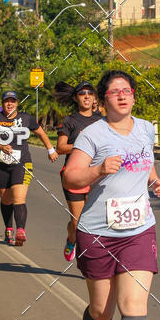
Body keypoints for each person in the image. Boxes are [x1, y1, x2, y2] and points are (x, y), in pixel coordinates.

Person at [63, 71, 160, 320]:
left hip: (139, 230)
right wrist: (97, 170)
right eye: (114, 92)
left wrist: (156, 182)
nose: (122, 96)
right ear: (103, 100)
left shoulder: (146, 128)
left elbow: (146, 165)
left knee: (133, 305)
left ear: (134, 96)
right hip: (97, 232)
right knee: (101, 309)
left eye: (127, 90)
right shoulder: (92, 135)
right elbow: (70, 176)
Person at [0, 90, 58, 246]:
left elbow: (41, 133)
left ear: (17, 103)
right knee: (6, 199)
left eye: (13, 101)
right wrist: (1, 146)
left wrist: (50, 149)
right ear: (2, 103)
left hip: (21, 163)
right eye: (7, 101)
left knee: (19, 198)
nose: (10, 104)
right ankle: (9, 228)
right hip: (0, 165)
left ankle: (21, 230)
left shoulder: (26, 118)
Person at [55, 81, 103, 262]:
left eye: (90, 93)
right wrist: (83, 145)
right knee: (78, 223)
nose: (87, 96)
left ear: (94, 97)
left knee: (94, 221)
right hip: (74, 175)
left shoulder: (102, 121)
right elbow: (60, 147)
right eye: (82, 93)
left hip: (96, 176)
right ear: (76, 98)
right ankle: (71, 239)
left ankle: (91, 259)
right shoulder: (70, 121)